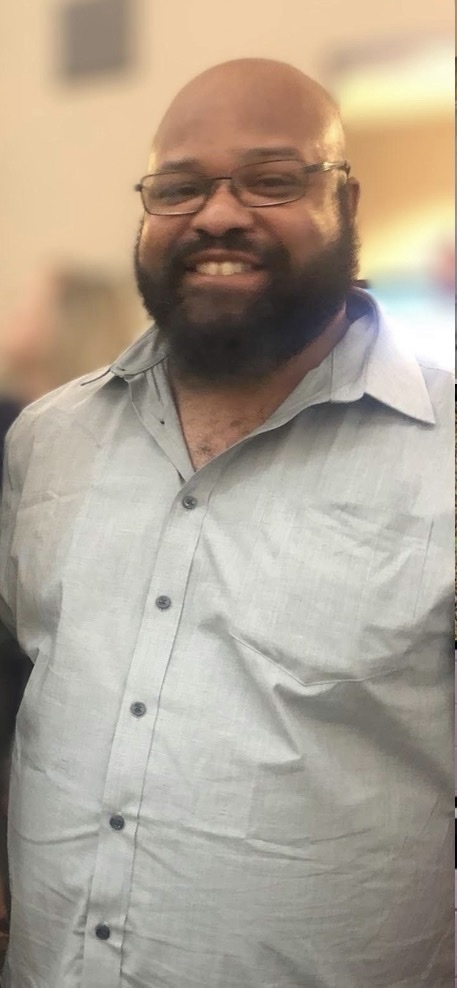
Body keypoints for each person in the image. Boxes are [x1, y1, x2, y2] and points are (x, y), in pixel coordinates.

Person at [0, 58, 453, 988]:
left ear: (346, 201)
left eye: (270, 179)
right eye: (178, 187)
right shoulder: (46, 442)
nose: (216, 215)